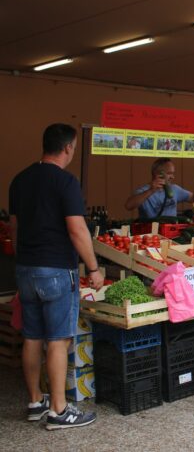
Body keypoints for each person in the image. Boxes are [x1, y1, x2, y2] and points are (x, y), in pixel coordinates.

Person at [9, 123, 103, 430]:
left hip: (26, 268)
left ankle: (37, 402)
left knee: (32, 337)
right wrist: (92, 267)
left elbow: (15, 229)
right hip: (56, 271)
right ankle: (60, 410)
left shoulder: (19, 180)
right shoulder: (65, 182)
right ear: (67, 148)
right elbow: (77, 229)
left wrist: (25, 259)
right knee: (59, 340)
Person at [124, 158, 194, 218]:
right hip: (151, 232)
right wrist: (151, 190)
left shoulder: (174, 189)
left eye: (173, 173)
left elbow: (193, 198)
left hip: (171, 230)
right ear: (158, 174)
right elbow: (128, 206)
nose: (173, 177)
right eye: (169, 173)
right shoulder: (144, 191)